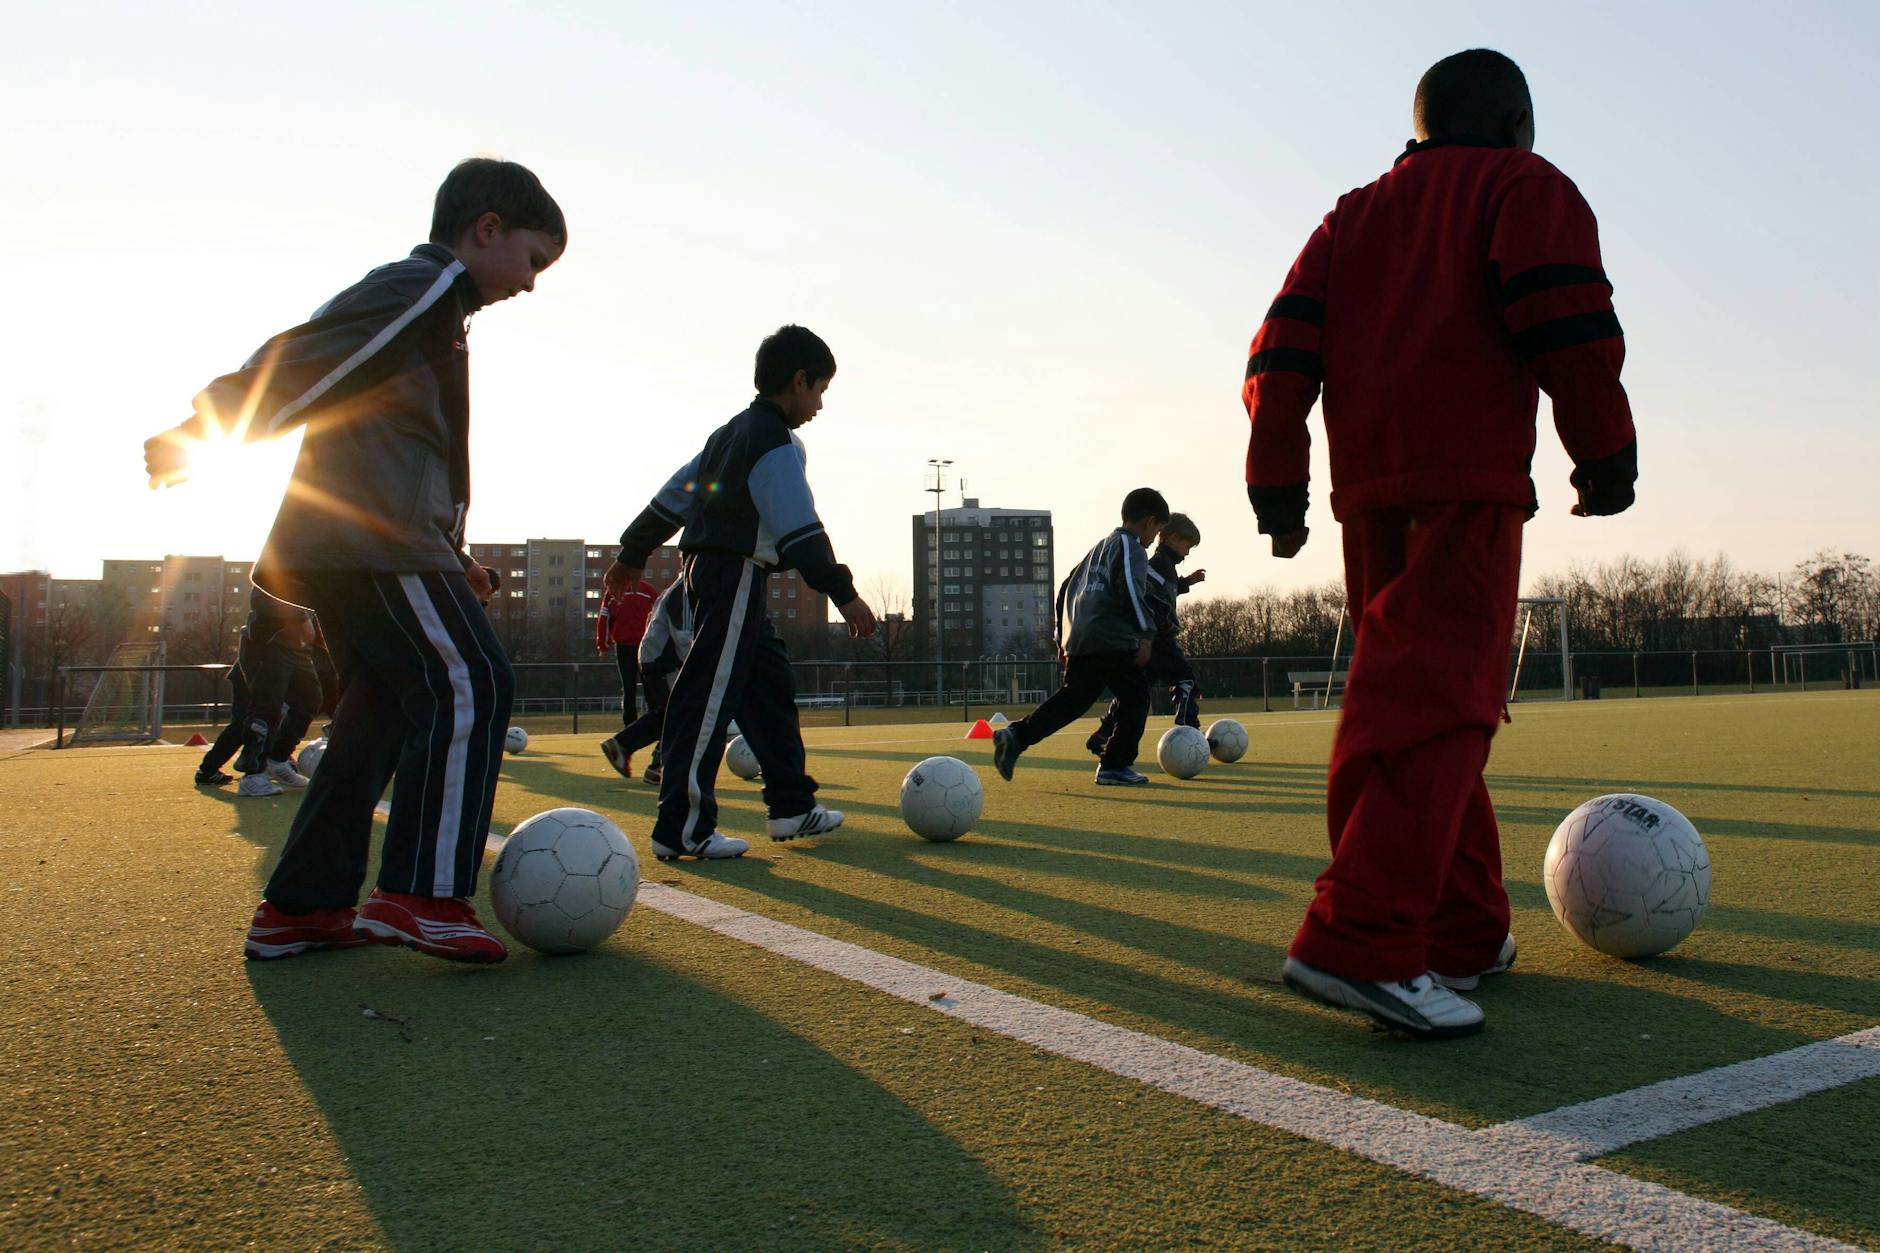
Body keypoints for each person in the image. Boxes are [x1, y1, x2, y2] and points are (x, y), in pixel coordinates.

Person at [1243, 49, 1636, 1038]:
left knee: (1408, 693)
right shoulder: (1521, 184)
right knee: (1443, 698)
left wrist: (1276, 487)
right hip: (1465, 478)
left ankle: (1458, 928)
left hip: (1366, 492)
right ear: (1514, 124)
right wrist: (1604, 452)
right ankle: (1360, 938)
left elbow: (1278, 354)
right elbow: (1564, 317)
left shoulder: (1348, 215)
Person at [145, 157, 566, 963]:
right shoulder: (424, 286)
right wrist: (206, 429)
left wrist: (453, 555)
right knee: (472, 679)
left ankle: (302, 906)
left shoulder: (441, 313)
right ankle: (421, 891)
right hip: (370, 544)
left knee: (377, 714)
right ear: (486, 231)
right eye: (533, 259)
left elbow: (402, 443)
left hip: (369, 542)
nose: (533, 283)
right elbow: (316, 353)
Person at [604, 325, 876, 861]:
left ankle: (791, 805)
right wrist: (843, 593)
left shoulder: (727, 434)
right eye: (820, 389)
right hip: (731, 574)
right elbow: (800, 530)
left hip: (722, 576)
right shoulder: (770, 439)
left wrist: (633, 550)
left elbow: (676, 494)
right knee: (704, 700)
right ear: (799, 381)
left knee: (770, 687)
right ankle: (682, 828)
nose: (820, 404)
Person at [992, 488, 1167, 786]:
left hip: (1082, 638)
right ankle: (1114, 764)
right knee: (1136, 696)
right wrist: (1146, 633)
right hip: (1109, 637)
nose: (1153, 541)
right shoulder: (1131, 548)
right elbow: (1130, 589)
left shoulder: (1098, 548)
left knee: (1074, 699)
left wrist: (1061, 634)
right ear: (1149, 522)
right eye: (1157, 531)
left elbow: (1065, 586)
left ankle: (1016, 736)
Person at [1087, 512, 1205, 756]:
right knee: (1184, 679)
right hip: (1157, 638)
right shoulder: (1159, 564)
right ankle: (1190, 730)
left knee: (1135, 692)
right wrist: (1154, 624)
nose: (1188, 552)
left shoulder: (1167, 566)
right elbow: (1145, 590)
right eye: (1187, 545)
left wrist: (1187, 583)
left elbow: (1165, 590)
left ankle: (1102, 735)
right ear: (1172, 538)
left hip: (1149, 638)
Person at [606, 575, 694, 787]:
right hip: (664, 661)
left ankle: (637, 754)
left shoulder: (682, 587)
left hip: (657, 657)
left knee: (669, 713)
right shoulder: (687, 589)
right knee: (679, 712)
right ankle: (651, 761)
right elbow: (684, 636)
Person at [596, 573, 657, 778]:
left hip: (647, 646)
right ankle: (629, 735)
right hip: (627, 647)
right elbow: (604, 617)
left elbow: (657, 617)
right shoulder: (613, 593)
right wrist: (602, 645)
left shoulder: (649, 591)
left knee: (654, 698)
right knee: (631, 692)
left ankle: (630, 739)